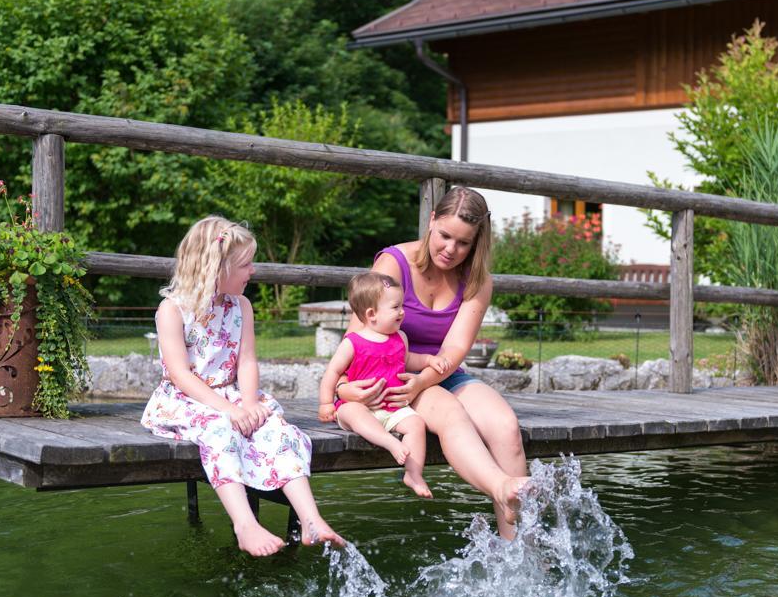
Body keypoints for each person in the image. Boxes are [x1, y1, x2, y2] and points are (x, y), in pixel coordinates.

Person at [141, 215, 344, 557]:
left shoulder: (242, 307)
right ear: (215, 268)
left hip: (232, 393)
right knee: (221, 430)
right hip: (187, 399)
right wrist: (230, 410)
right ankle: (244, 524)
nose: (253, 272)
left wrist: (249, 404)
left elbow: (247, 360)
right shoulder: (172, 310)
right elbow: (180, 374)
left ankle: (311, 519)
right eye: (246, 265)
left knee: (278, 429)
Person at [335, 187, 530, 539]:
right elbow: (359, 337)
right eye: (445, 236)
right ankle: (502, 489)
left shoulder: (477, 280)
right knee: (452, 414)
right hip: (390, 377)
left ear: (476, 243)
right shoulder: (393, 264)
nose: (451, 250)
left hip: (442, 372)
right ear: (432, 221)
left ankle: (517, 547)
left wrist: (423, 380)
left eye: (464, 243)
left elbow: (455, 349)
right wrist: (344, 387)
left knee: (507, 428)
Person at [318, 271, 450, 499]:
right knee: (352, 410)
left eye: (401, 306)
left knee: (416, 423)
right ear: (371, 315)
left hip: (392, 408)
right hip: (361, 407)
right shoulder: (353, 342)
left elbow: (408, 360)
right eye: (395, 307)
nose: (402, 312)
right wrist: (326, 402)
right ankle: (390, 442)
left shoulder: (400, 338)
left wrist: (429, 360)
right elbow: (333, 371)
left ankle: (414, 473)